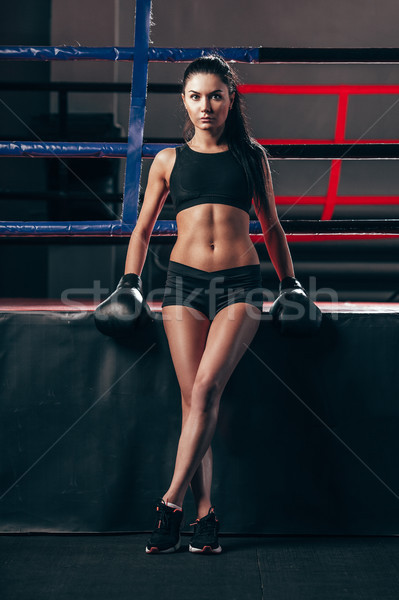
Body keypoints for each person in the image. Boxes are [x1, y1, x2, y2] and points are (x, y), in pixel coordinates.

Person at [94, 54, 321, 554]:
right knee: (193, 400)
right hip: (182, 286)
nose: (205, 106)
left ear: (230, 99)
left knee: (207, 386)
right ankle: (205, 516)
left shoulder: (251, 157)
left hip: (241, 284)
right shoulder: (169, 161)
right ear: (184, 100)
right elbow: (143, 227)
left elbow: (273, 226)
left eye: (215, 95)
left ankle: (169, 502)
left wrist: (290, 283)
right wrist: (130, 280)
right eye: (195, 96)